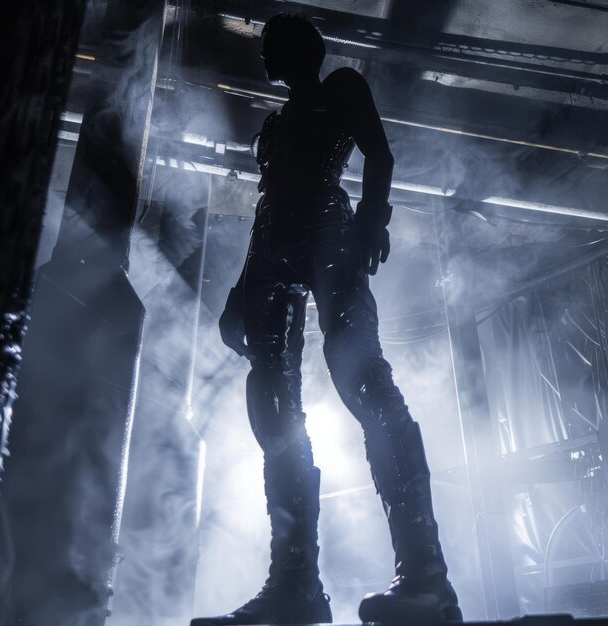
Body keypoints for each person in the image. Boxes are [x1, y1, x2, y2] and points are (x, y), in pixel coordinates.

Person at [191, 13, 462, 625]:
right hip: (278, 250)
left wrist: (372, 218)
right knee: (273, 405)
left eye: (271, 49)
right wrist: (242, 289)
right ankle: (296, 586)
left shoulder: (341, 87)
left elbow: (379, 153)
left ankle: (425, 577)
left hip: (329, 236)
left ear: (297, 51)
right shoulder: (276, 124)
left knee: (362, 380)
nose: (263, 60)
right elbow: (269, 206)